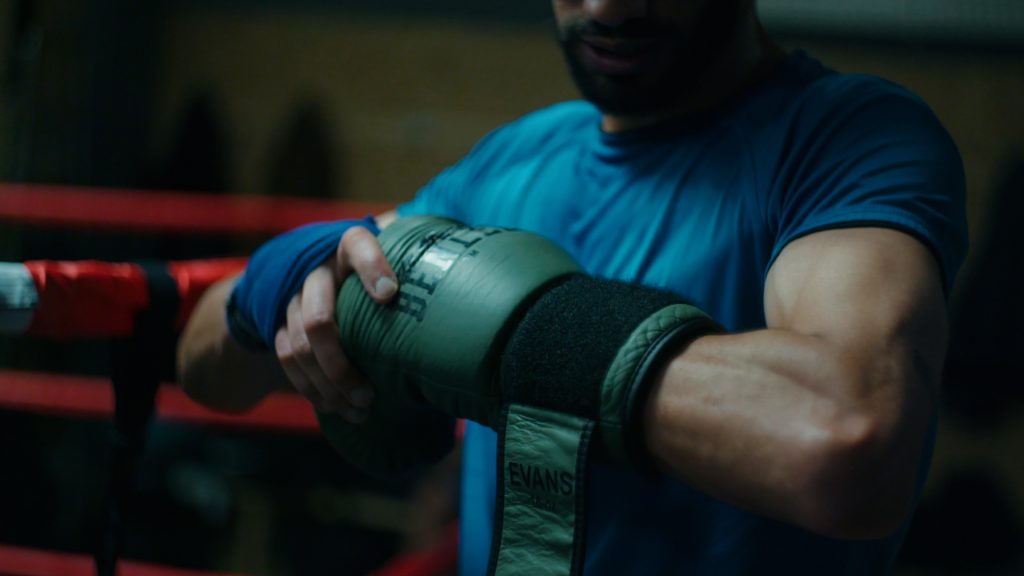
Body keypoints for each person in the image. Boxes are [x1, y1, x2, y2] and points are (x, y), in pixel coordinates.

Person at [177, 0, 968, 573]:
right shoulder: (512, 161)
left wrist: (526, 335)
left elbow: (849, 445)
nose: (607, 6)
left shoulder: (845, 138)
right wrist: (286, 277)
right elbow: (206, 364)